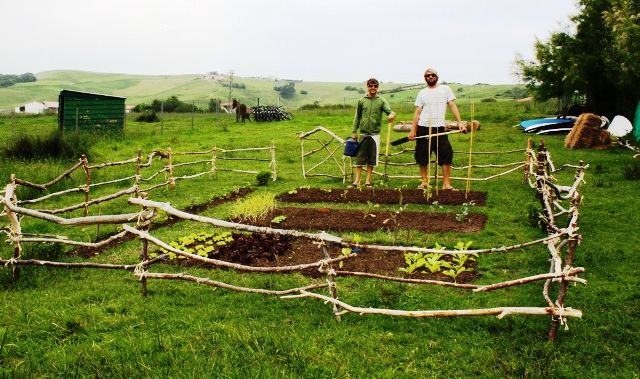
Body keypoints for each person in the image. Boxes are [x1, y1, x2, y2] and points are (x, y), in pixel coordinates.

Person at [408, 68, 467, 190]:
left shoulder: (445, 89)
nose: (430, 77)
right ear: (425, 78)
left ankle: (446, 184)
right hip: (423, 127)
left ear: (437, 76)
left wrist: (460, 123)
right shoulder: (422, 93)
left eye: (432, 75)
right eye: (427, 75)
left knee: (446, 153)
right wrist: (413, 130)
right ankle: (424, 182)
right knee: (422, 155)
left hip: (439, 128)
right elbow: (417, 113)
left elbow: (452, 105)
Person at [350, 78, 396, 188]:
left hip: (375, 135)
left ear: (377, 87)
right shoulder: (362, 101)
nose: (373, 88)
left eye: (375, 86)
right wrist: (354, 131)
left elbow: (390, 112)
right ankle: (357, 181)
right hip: (363, 134)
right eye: (371, 86)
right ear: (367, 87)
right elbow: (357, 116)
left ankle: (368, 181)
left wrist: (392, 115)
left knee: (371, 158)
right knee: (360, 158)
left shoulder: (381, 100)